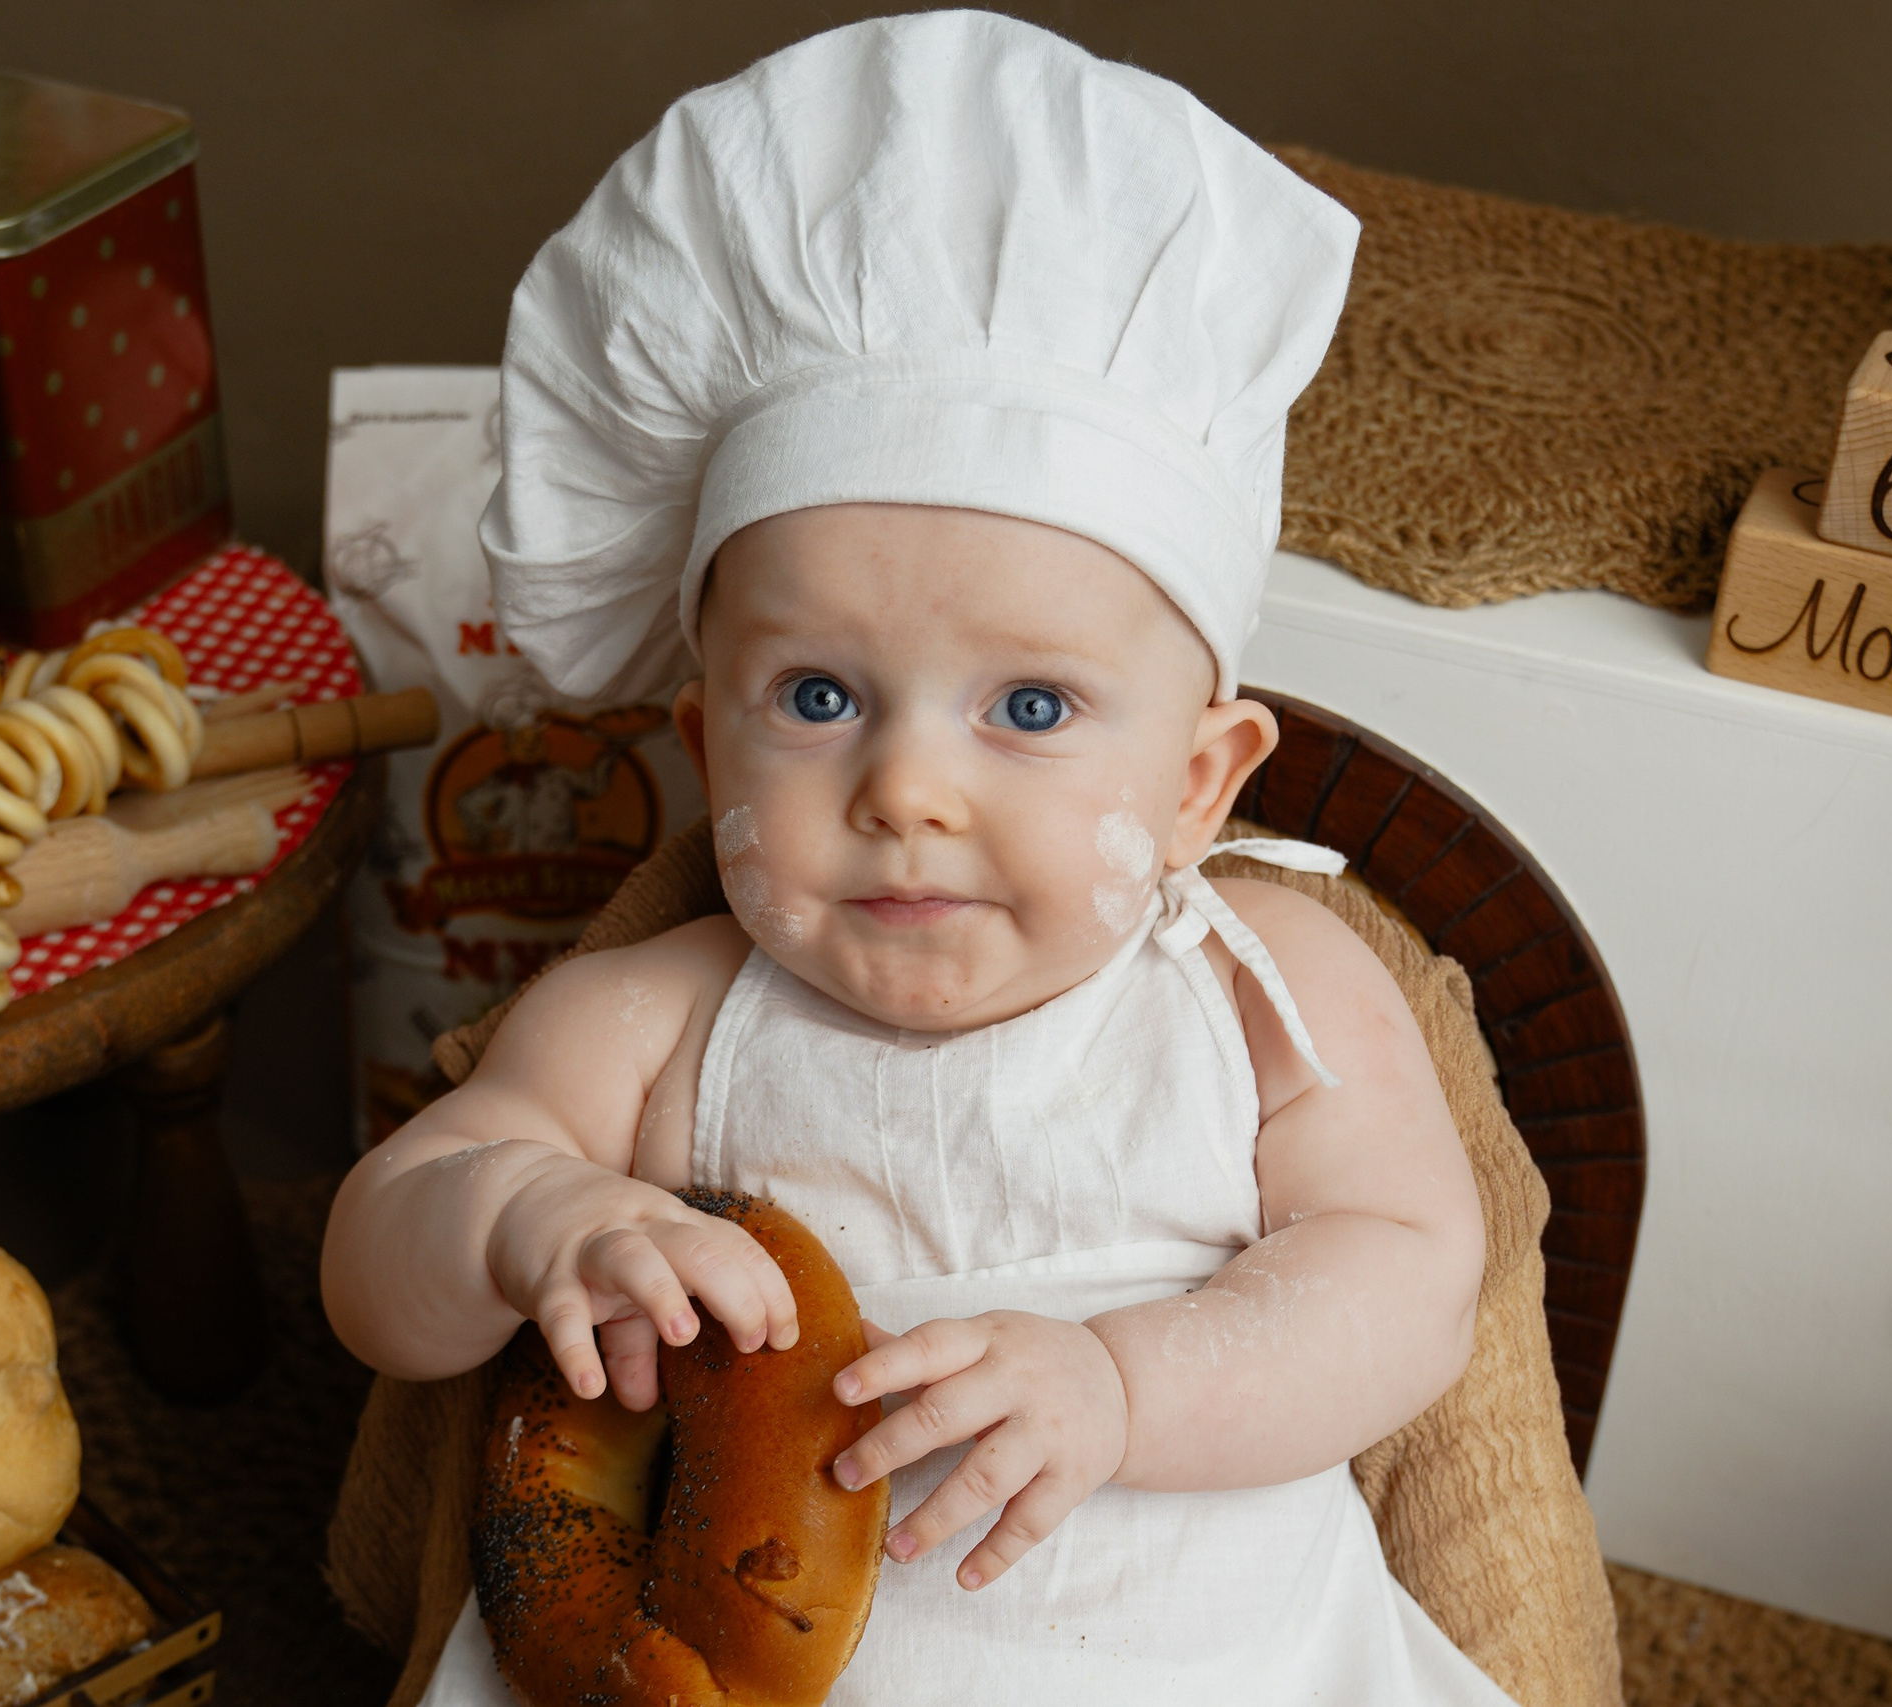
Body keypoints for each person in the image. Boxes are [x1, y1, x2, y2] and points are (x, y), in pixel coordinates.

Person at [322, 12, 1512, 1701]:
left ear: (1198, 784)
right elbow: (379, 1266)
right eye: (819, 697)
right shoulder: (655, 1014)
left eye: (1030, 704)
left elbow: (1408, 1286)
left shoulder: (1268, 992)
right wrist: (529, 1211)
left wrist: (1128, 1388)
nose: (906, 789)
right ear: (702, 750)